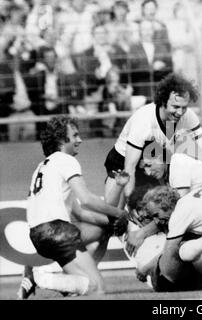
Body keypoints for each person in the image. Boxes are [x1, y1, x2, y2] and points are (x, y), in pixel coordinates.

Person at [103, 73, 202, 255]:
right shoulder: (143, 121)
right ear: (162, 101)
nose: (180, 112)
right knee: (113, 220)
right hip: (123, 166)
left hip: (153, 167)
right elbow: (129, 170)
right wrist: (130, 205)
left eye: (184, 107)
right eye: (175, 106)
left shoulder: (187, 116)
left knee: (165, 212)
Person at [17, 116, 127, 299]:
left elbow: (78, 211)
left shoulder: (44, 166)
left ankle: (66, 284)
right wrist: (119, 213)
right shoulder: (66, 160)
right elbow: (87, 200)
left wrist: (111, 222)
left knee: (102, 232)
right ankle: (40, 278)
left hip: (39, 234)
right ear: (62, 139)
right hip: (58, 230)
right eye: (75, 135)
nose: (80, 140)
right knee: (97, 290)